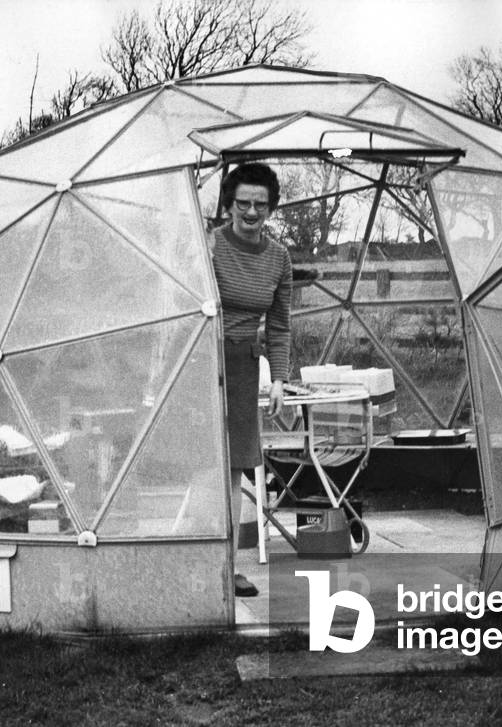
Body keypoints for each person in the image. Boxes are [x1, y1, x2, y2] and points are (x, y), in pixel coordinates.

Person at [212, 163, 291, 598]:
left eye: (261, 204)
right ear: (229, 203)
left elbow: (279, 326)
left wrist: (278, 378)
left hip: (244, 363)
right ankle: (197, 558)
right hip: (203, 359)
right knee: (204, 463)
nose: (251, 211)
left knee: (236, 467)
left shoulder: (279, 257)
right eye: (243, 202)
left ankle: (229, 568)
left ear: (271, 207)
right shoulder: (208, 246)